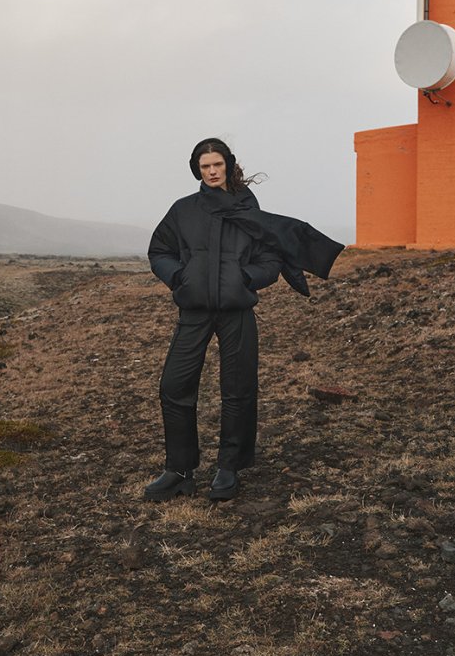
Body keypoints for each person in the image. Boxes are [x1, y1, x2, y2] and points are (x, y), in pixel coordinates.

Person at [144, 138, 344, 502]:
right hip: (194, 310)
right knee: (174, 386)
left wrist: (246, 278)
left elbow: (271, 259)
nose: (212, 171)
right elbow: (159, 250)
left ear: (228, 165)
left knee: (238, 389)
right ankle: (179, 470)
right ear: (197, 171)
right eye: (205, 166)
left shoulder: (248, 210)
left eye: (217, 164)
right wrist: (180, 277)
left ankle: (229, 467)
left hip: (237, 310)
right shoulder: (183, 210)